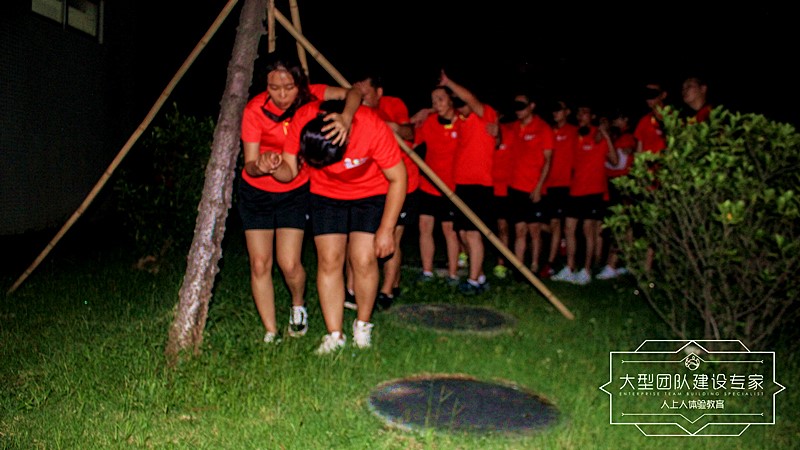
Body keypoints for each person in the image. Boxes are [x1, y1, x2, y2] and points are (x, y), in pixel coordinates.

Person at [238, 58, 362, 344]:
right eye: (274, 88)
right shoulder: (254, 110)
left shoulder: (312, 96)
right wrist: (262, 165)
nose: (282, 95)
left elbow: (354, 92)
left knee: (289, 263)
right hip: (256, 192)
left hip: (294, 191)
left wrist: (346, 117)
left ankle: (298, 304)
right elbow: (249, 165)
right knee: (259, 263)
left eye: (288, 87)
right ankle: (271, 331)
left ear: (300, 84)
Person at [270, 99, 407, 354]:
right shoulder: (304, 118)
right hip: (326, 194)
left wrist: (387, 229)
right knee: (329, 259)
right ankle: (335, 335)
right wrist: (274, 167)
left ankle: (362, 326)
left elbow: (398, 178)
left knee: (363, 258)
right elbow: (289, 169)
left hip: (371, 192)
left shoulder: (371, 127)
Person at [351, 73, 419, 311]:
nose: (361, 99)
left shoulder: (393, 105)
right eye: (357, 94)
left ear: (378, 92)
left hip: (403, 180)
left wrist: (394, 128)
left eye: (365, 94)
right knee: (360, 237)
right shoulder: (354, 111)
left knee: (392, 237)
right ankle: (353, 288)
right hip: (371, 183)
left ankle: (387, 290)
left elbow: (410, 133)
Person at [439, 70, 498, 294]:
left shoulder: (485, 114)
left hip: (479, 184)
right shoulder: (461, 121)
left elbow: (471, 99)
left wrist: (448, 82)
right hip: (462, 184)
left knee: (473, 234)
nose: (461, 107)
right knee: (463, 234)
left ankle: (473, 282)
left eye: (462, 102)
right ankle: (480, 276)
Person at [551, 103, 618, 285]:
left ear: (592, 116)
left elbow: (614, 160)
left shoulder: (599, 134)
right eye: (579, 112)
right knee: (569, 228)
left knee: (588, 230)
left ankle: (587, 270)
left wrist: (605, 134)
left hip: (594, 190)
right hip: (575, 189)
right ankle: (570, 267)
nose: (581, 115)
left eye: (585, 112)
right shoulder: (575, 134)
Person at [410, 85, 462, 286]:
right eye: (433, 100)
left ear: (450, 99)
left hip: (451, 187)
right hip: (429, 183)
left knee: (449, 229)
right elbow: (414, 140)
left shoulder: (461, 121)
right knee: (424, 226)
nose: (436, 103)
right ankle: (427, 271)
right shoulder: (429, 122)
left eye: (441, 99)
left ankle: (453, 274)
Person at [505, 93, 554, 277]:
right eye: (515, 107)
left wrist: (539, 187)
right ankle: (519, 267)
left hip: (533, 187)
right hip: (515, 186)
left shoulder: (543, 128)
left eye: (522, 106)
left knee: (534, 230)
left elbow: (548, 160)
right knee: (519, 229)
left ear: (532, 106)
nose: (518, 110)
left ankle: (534, 265)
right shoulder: (513, 127)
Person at [596, 108, 637, 280]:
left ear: (625, 120)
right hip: (612, 185)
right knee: (618, 226)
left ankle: (612, 265)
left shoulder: (627, 138)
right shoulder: (617, 137)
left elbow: (617, 163)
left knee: (622, 225)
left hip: (623, 185)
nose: (614, 121)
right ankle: (621, 263)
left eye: (617, 118)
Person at [539, 99, 577, 278]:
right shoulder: (548, 130)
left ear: (567, 112)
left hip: (566, 185)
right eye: (553, 110)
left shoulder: (574, 131)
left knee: (557, 224)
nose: (555, 113)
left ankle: (551, 263)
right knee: (539, 224)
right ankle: (560, 241)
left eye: (559, 110)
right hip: (548, 184)